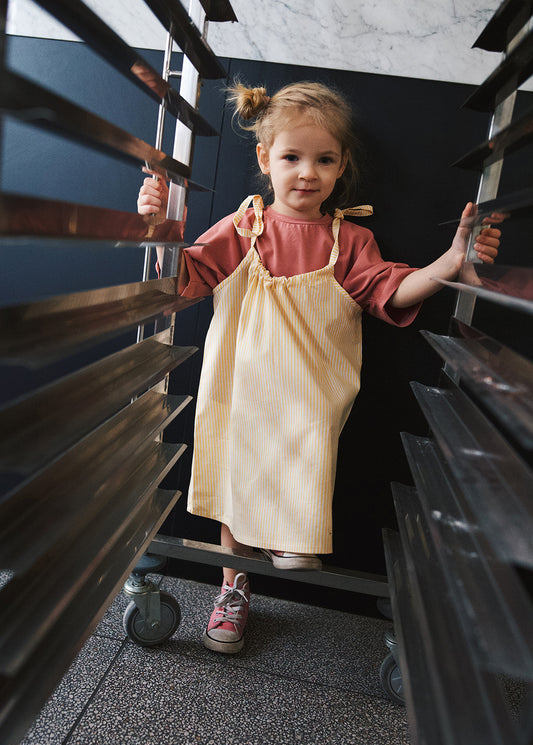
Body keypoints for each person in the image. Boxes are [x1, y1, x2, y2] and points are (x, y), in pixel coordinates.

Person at [137, 81, 501, 655]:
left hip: (310, 392)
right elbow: (181, 280)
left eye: (324, 160)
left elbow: (394, 291)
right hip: (240, 387)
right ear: (265, 159)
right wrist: (156, 228)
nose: (307, 173)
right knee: (233, 475)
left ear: (342, 166)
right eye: (292, 157)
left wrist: (450, 263)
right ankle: (233, 586)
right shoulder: (243, 228)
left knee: (304, 456)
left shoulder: (350, 240)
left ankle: (290, 532)